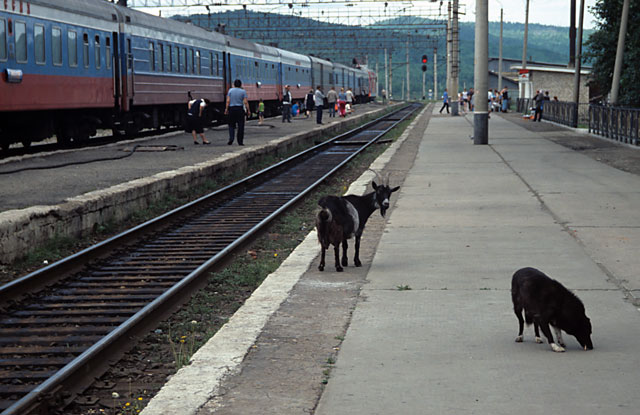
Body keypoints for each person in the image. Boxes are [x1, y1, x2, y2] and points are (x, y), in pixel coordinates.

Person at [224, 79, 249, 146]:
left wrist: (226, 109)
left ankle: (231, 138)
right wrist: (248, 110)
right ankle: (240, 141)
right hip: (240, 109)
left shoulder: (230, 90)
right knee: (241, 125)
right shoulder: (243, 91)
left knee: (231, 125)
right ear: (240, 84)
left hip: (232, 109)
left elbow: (228, 101)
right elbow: (245, 102)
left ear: (234, 84)